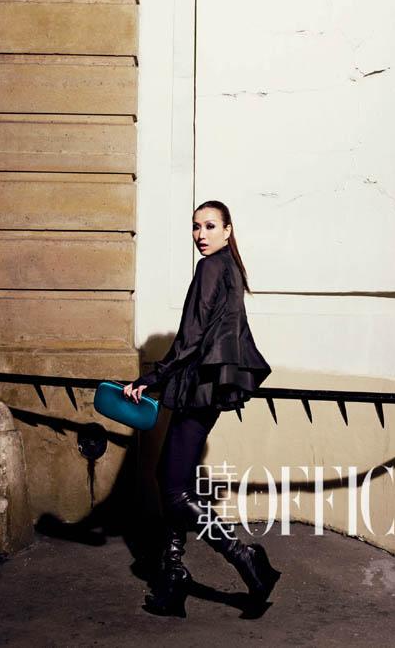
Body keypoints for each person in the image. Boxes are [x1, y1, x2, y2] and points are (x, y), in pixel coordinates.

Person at [123, 200, 280, 616]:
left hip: (199, 387)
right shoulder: (229, 268)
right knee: (172, 481)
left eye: (210, 226)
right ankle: (173, 575)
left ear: (228, 230)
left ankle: (243, 556)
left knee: (173, 490)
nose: (201, 234)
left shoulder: (211, 267)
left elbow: (191, 338)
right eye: (196, 226)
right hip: (207, 388)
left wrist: (150, 378)